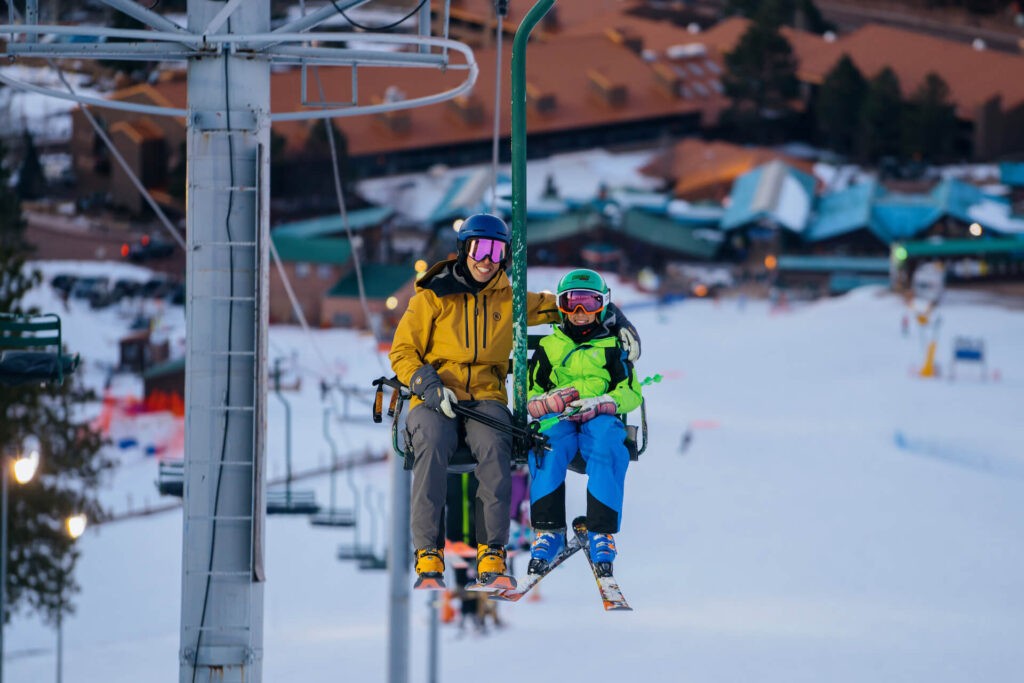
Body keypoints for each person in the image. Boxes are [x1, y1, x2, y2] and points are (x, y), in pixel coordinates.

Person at [389, 214, 640, 588]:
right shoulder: (431, 297)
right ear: (464, 251)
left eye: (496, 250)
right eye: (479, 248)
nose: (487, 259)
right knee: (431, 441)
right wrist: (428, 384)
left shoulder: (510, 299)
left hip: (486, 396)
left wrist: (620, 322)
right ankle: (428, 550)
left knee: (496, 445)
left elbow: (571, 306)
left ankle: (491, 549)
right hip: (438, 396)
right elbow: (403, 351)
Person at [524, 268, 643, 578]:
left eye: (589, 303)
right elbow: (531, 390)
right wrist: (547, 403)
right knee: (545, 446)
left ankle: (601, 531)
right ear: (561, 306)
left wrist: (606, 403)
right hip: (559, 416)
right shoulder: (550, 348)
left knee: (607, 444)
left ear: (602, 306)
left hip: (599, 417)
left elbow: (631, 393)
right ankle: (549, 530)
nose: (579, 312)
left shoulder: (612, 347)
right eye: (571, 303)